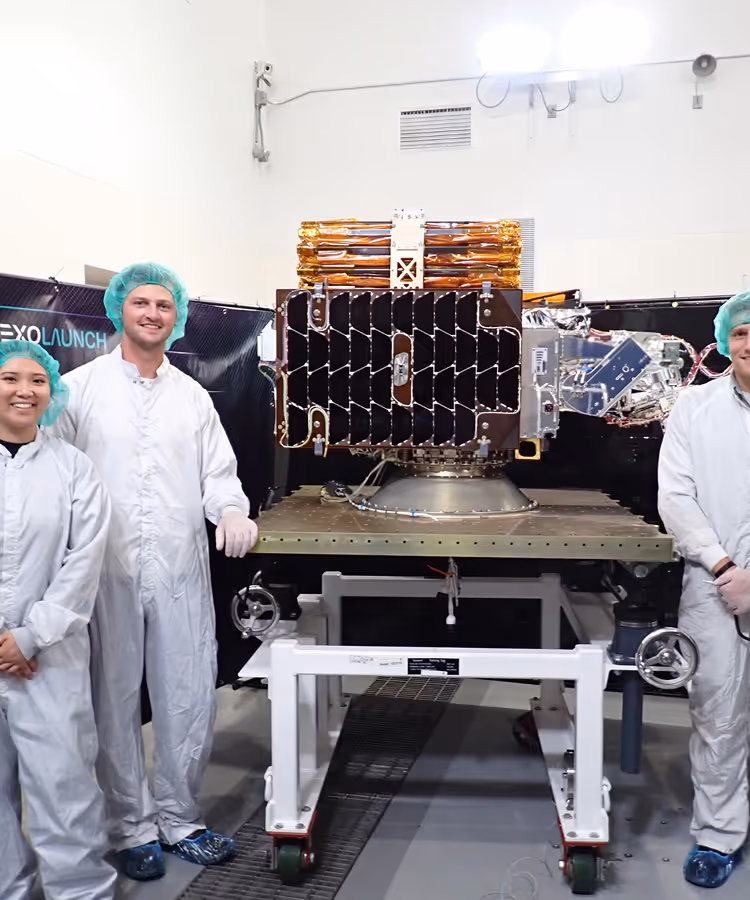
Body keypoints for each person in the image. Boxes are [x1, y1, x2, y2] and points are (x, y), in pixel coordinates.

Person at [51, 262, 258, 882]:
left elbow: (218, 475)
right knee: (111, 698)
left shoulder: (192, 397)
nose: (151, 314)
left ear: (178, 317)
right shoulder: (78, 388)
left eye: (163, 306)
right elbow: (52, 473)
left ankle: (180, 818)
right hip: (101, 568)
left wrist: (231, 512)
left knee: (187, 691)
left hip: (178, 567)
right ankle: (130, 827)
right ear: (119, 310)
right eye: (140, 303)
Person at [0, 340, 116, 900]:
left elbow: (83, 561)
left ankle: (82, 892)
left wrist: (27, 637)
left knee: (63, 786)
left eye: (37, 381)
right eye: (9, 379)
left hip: (51, 656)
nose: (24, 391)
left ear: (52, 392)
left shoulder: (75, 469)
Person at [658, 290, 750, 888]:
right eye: (742, 332)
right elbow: (676, 497)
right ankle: (719, 836)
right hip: (715, 586)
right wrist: (724, 570)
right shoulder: (694, 407)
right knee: (718, 714)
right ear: (726, 341)